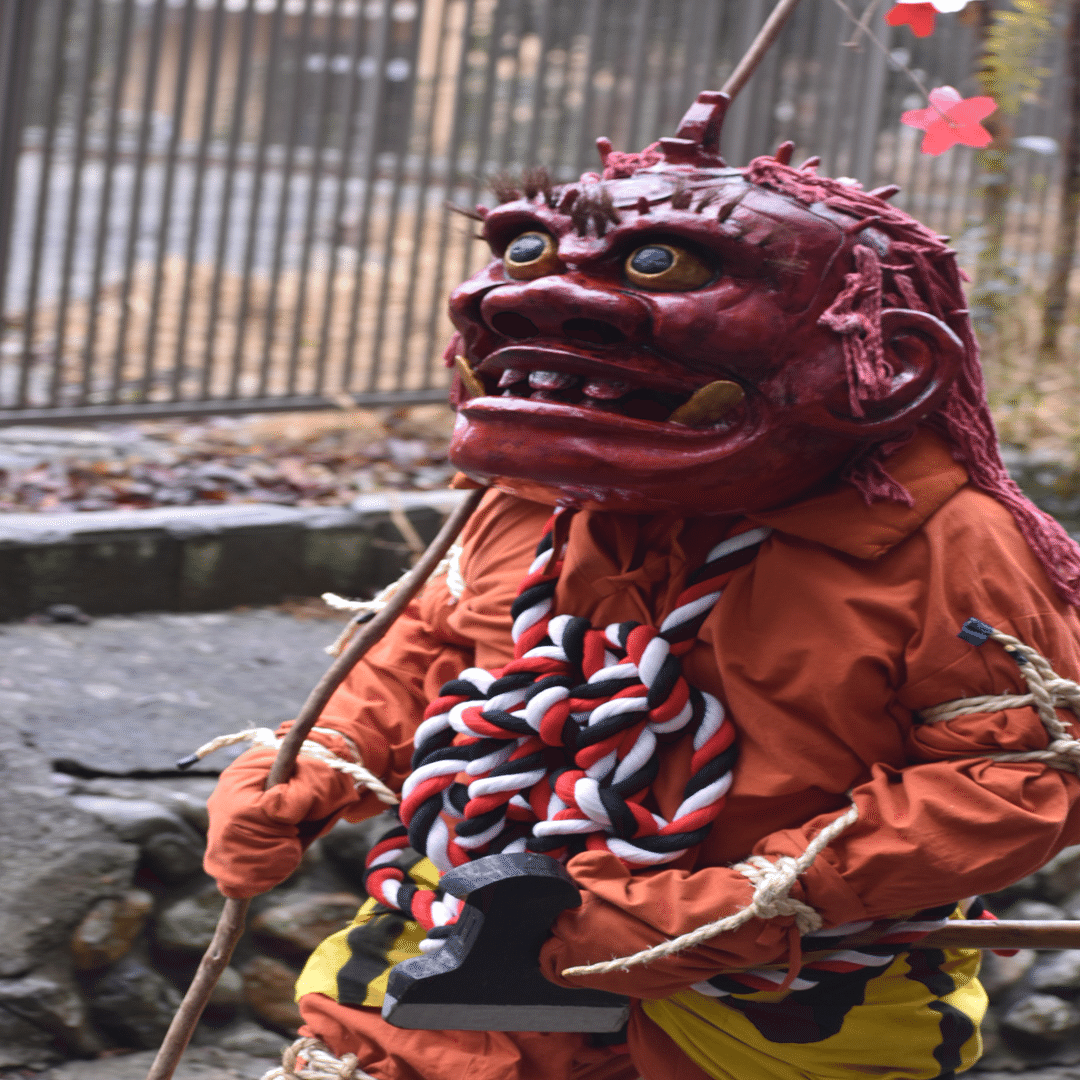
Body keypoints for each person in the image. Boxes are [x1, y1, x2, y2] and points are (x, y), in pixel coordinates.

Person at [204, 92, 1080, 1080]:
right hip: (452, 957)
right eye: (523, 252)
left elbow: (1015, 775)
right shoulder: (531, 494)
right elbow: (435, 650)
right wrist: (315, 758)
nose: (525, 300)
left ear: (891, 363)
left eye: (660, 265)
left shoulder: (945, 540)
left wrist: (736, 902)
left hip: (777, 1002)